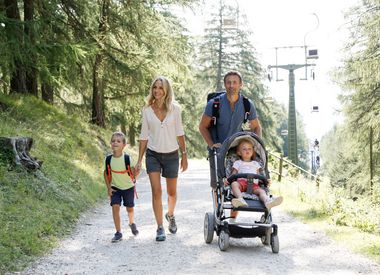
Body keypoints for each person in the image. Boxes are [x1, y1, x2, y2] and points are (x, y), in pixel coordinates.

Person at [198, 70, 262, 220]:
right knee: (217, 185)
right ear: (225, 84)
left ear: (240, 85)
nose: (231, 85)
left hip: (236, 149)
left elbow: (256, 127)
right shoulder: (214, 104)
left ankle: (233, 218)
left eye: (235, 82)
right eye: (228, 82)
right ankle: (219, 213)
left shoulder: (247, 104)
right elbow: (202, 126)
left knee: (239, 180)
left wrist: (256, 145)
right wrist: (212, 144)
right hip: (217, 150)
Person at [135, 76, 188, 242]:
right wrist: (139, 160)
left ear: (166, 90)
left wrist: (184, 155)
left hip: (172, 154)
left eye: (160, 88)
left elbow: (180, 133)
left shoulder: (175, 109)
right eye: (155, 87)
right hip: (153, 155)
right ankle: (159, 227)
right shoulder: (147, 110)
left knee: (172, 194)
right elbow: (144, 136)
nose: (157, 91)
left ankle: (170, 214)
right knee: (156, 191)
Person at [103, 131, 139, 243]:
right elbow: (105, 174)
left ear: (124, 145)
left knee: (130, 208)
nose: (115, 143)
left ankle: (131, 223)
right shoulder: (108, 159)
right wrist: (109, 188)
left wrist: (137, 172)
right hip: (115, 188)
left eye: (118, 141)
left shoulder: (127, 159)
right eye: (113, 141)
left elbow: (134, 174)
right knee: (115, 207)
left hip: (128, 187)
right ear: (110, 143)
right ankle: (118, 233)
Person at [229, 138, 283, 209]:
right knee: (234, 184)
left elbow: (259, 175)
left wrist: (265, 181)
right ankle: (240, 199)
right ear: (239, 152)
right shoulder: (238, 163)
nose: (247, 151)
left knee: (262, 191)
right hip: (241, 183)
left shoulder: (256, 164)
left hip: (254, 185)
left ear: (253, 151)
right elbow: (233, 175)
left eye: (249, 149)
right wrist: (228, 180)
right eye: (244, 149)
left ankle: (267, 201)